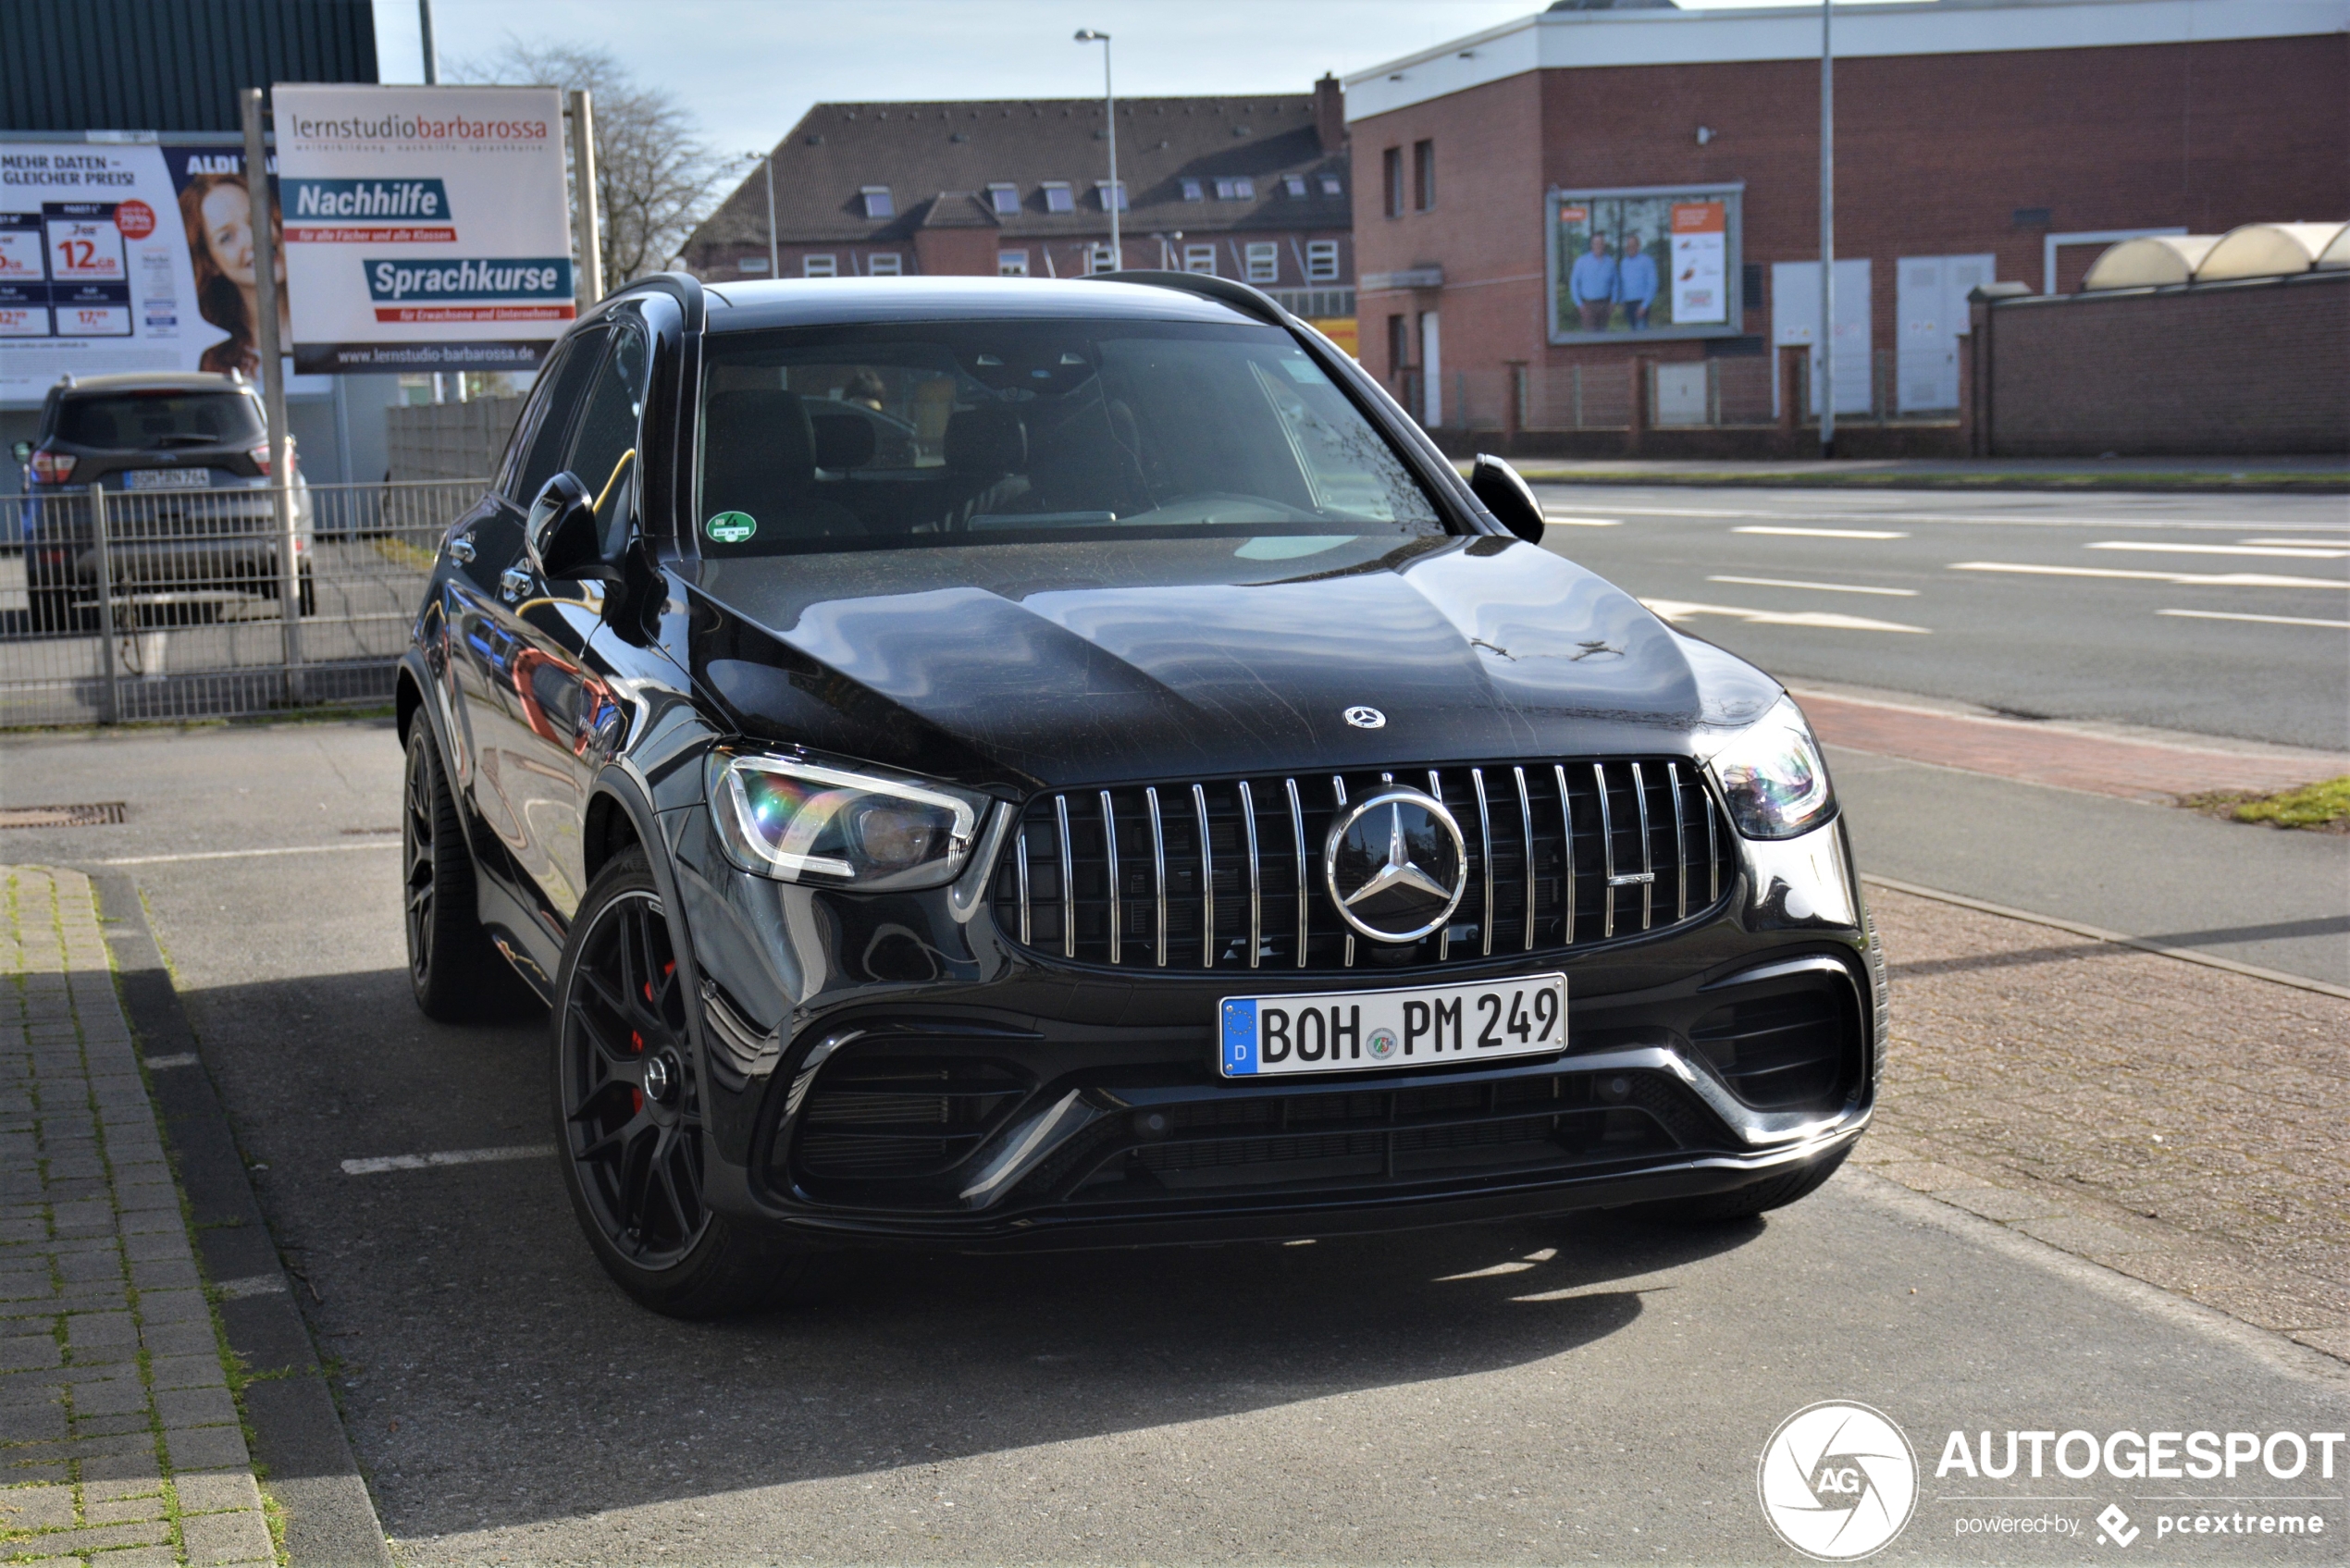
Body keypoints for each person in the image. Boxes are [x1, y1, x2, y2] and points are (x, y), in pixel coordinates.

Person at [177, 172, 291, 377]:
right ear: (210, 263)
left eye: (257, 218)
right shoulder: (209, 359)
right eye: (227, 237)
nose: (253, 239)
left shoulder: (331, 325)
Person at [1568, 233, 1618, 333]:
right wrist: (1579, 304)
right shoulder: (1581, 262)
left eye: (1601, 243)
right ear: (1592, 245)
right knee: (1590, 340)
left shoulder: (1610, 262)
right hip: (1588, 306)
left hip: (1605, 305)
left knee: (1604, 339)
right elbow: (1573, 284)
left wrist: (1613, 302)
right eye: (1596, 243)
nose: (1598, 245)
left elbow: (1616, 284)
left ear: (1604, 245)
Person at [1618, 231, 1659, 331]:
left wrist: (1644, 305)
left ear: (1638, 246)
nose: (1631, 248)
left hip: (1641, 303)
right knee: (1631, 336)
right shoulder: (1624, 263)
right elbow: (1621, 284)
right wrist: (1621, 301)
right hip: (1628, 304)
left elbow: (1652, 284)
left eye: (1633, 245)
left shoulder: (1647, 261)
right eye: (1629, 245)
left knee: (1641, 335)